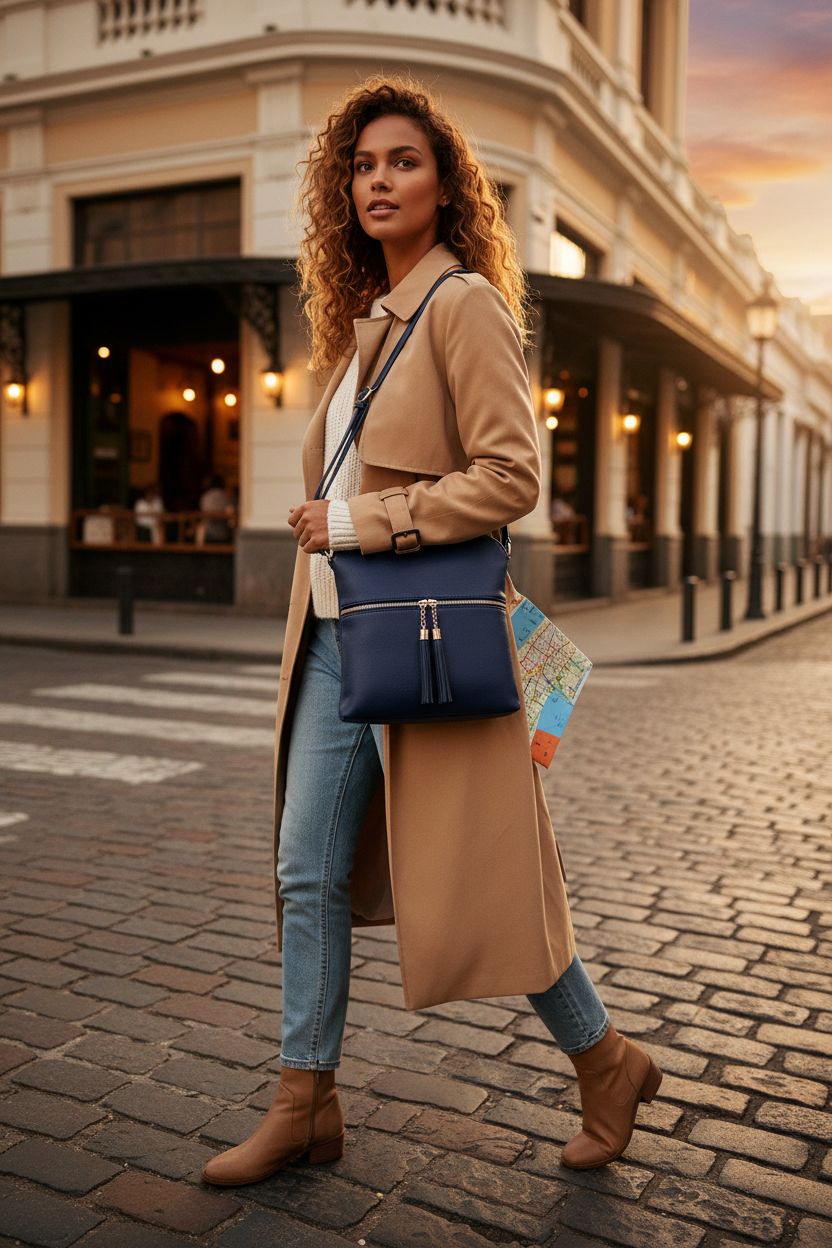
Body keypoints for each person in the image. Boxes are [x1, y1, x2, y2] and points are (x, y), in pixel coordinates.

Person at [202, 74, 662, 1188]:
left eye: (402, 161)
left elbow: (511, 475)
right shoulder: (372, 323)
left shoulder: (462, 306)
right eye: (360, 166)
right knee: (303, 867)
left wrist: (364, 518)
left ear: (447, 186)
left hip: (422, 637)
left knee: (487, 875)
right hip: (335, 634)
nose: (377, 180)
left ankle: (605, 1058)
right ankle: (304, 1098)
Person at [198, 474, 234, 544]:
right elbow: (231, 511)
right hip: (224, 533)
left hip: (209, 533)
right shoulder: (227, 496)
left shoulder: (206, 497)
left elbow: (204, 511)